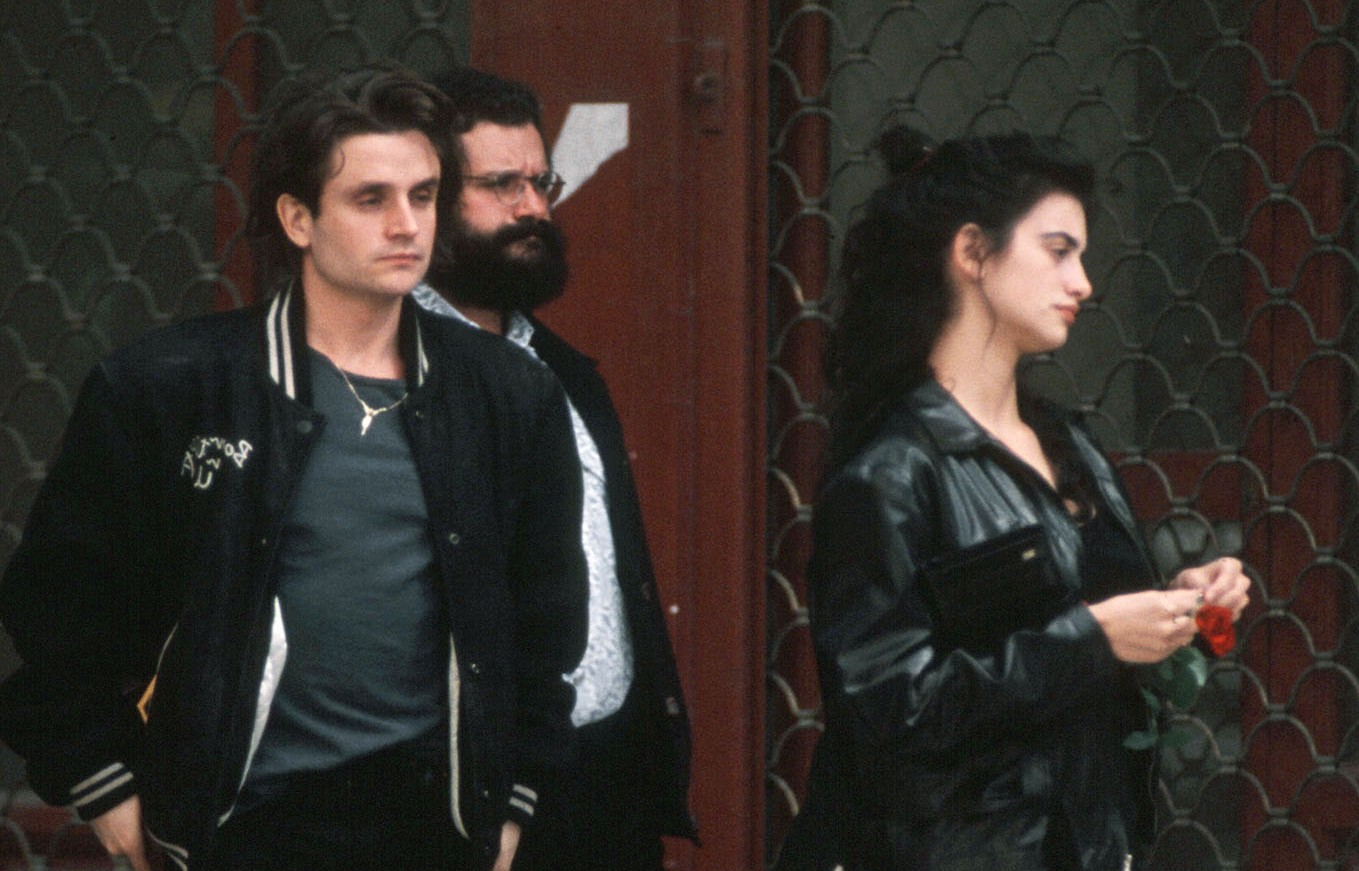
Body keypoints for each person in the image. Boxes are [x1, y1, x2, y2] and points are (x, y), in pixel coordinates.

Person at [0, 63, 587, 871]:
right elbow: (59, 607)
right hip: (240, 826)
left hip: (434, 826)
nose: (406, 225)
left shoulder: (508, 393)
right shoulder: (169, 387)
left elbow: (547, 623)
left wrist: (512, 802)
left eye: (422, 196)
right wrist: (103, 784)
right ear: (298, 217)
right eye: (370, 198)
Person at [779, 127, 1251, 870]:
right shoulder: (893, 471)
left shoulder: (1069, 446)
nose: (1082, 283)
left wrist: (1196, 611)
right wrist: (1090, 640)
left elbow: (1113, 646)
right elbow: (885, 714)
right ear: (972, 253)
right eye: (1058, 250)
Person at [411, 65, 698, 870]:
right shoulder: (390, 370)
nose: (533, 207)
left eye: (541, 182)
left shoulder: (563, 370)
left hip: (603, 784)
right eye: (500, 184)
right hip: (468, 795)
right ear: (428, 198)